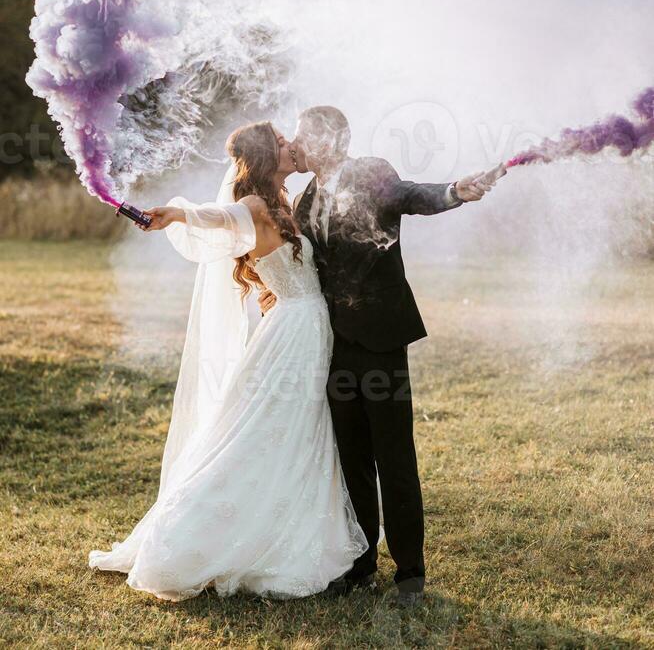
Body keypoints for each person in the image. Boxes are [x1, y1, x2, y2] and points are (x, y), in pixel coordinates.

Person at [88, 121, 368, 601]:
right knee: (269, 427)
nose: (288, 144)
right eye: (280, 142)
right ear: (263, 156)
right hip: (292, 333)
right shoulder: (255, 205)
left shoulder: (287, 199)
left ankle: (291, 521)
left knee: (300, 428)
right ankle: (200, 537)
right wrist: (176, 213)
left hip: (305, 326)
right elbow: (218, 216)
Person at [259, 106, 504, 607]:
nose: (297, 144)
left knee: (394, 459)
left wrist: (455, 191)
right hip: (333, 345)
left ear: (327, 139)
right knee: (351, 461)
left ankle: (410, 574)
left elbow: (412, 195)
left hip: (381, 340)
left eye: (304, 135)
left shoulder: (371, 172)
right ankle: (361, 564)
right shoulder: (305, 201)